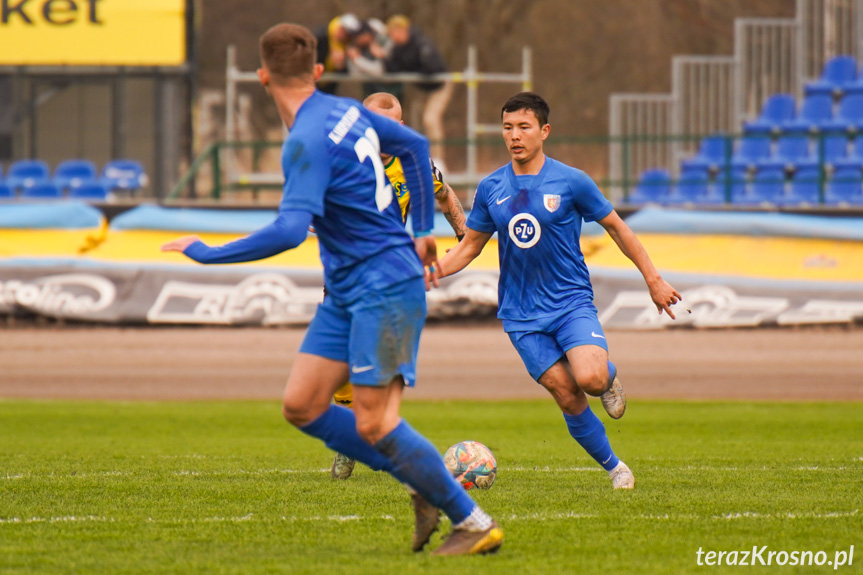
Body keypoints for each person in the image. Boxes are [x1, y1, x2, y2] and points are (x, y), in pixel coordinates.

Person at [160, 23, 502, 556]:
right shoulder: (347, 113)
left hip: (384, 286)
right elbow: (414, 144)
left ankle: (473, 520)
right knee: (302, 404)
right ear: (318, 72)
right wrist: (421, 231)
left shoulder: (304, 141)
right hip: (348, 289)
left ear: (262, 77)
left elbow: (290, 231)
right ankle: (422, 481)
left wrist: (207, 252)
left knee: (374, 421)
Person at [436, 92, 683, 490]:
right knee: (566, 393)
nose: (514, 136)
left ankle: (608, 377)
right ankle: (616, 468)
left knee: (589, 378)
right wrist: (424, 273)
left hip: (569, 302)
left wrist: (653, 279)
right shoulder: (491, 187)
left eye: (524, 127)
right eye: (507, 127)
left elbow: (618, 228)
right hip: (520, 313)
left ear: (544, 131)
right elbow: (468, 247)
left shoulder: (571, 181)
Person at [330, 91, 467, 480]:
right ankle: (350, 442)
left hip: (391, 276)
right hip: (345, 274)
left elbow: (444, 193)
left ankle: (382, 442)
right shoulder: (341, 161)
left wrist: (464, 237)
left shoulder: (415, 163)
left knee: (382, 369)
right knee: (337, 366)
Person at [385, 15, 452, 168]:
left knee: (430, 119)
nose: (392, 37)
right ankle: (419, 160)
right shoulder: (397, 48)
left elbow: (433, 68)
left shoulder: (422, 43)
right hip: (422, 89)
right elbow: (393, 70)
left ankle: (439, 161)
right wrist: (384, 57)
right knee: (416, 122)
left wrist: (412, 67)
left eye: (393, 32)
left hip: (439, 86)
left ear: (402, 30)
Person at [314, 13, 362, 95]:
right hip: (313, 83)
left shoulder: (347, 45)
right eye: (344, 31)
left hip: (329, 88)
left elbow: (345, 72)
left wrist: (341, 64)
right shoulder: (320, 37)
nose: (344, 36)